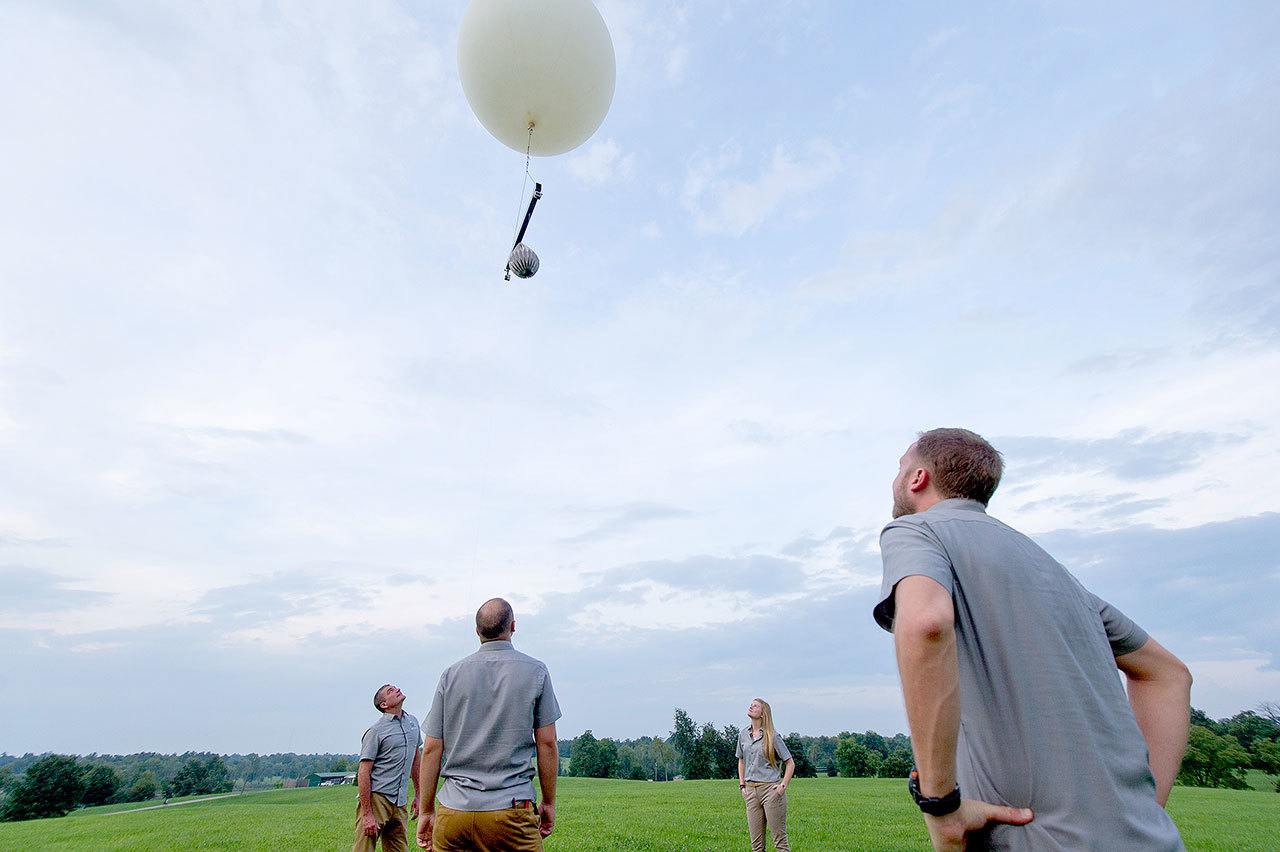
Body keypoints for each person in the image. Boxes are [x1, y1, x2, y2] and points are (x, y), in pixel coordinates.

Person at [874, 428, 1191, 851]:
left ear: (918, 478)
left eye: (899, 468)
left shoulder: (917, 531)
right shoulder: (1056, 574)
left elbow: (927, 623)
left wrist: (940, 804)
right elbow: (1169, 675)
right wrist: (1145, 808)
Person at [415, 598, 560, 851]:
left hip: (454, 812)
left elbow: (431, 748)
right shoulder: (536, 671)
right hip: (512, 810)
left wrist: (427, 810)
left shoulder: (451, 675)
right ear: (513, 626)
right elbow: (546, 743)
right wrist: (548, 803)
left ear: (477, 631)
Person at [355, 684, 422, 852]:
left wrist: (419, 795)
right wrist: (367, 814)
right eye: (390, 691)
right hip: (378, 798)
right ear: (383, 705)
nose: (397, 689)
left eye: (395, 687)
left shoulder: (413, 723)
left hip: (400, 801)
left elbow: (416, 760)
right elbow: (363, 772)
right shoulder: (376, 731)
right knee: (364, 849)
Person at [737, 697, 795, 852]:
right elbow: (741, 760)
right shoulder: (743, 734)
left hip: (771, 791)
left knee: (780, 843)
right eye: (751, 704)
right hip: (750, 792)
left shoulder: (773, 736)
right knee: (756, 846)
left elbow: (790, 762)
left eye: (756, 706)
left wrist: (782, 786)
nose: (751, 706)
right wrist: (742, 786)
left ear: (763, 713)